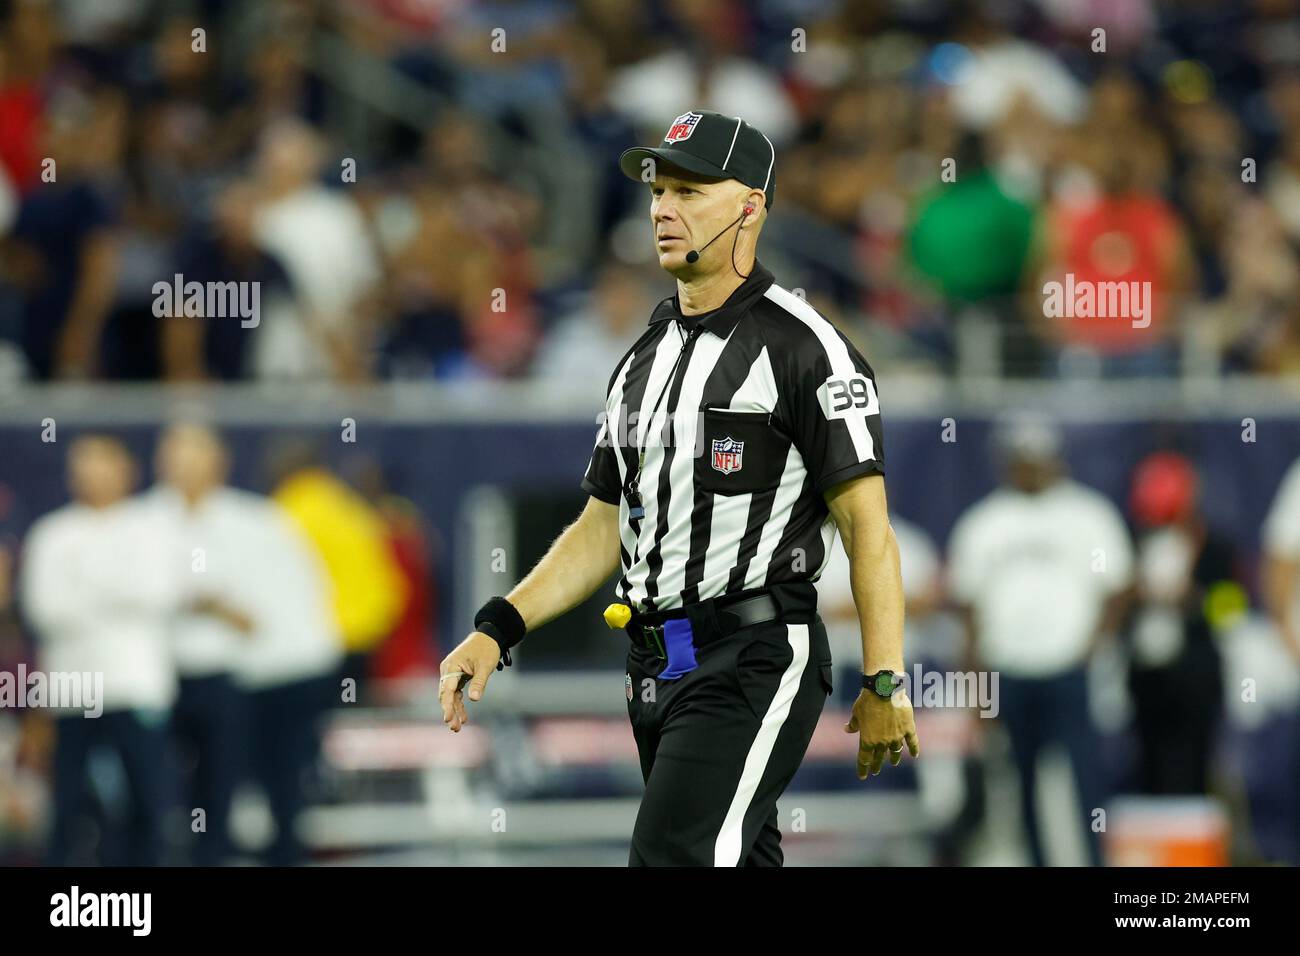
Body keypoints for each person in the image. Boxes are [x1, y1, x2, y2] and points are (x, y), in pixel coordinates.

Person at [439, 109, 918, 867]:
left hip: (755, 654)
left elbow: (868, 528)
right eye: (660, 190)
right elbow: (602, 526)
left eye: (692, 190)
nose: (664, 207)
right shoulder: (639, 359)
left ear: (750, 206)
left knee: (672, 858)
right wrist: (499, 626)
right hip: (657, 665)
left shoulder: (807, 347)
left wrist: (886, 675)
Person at [948, 416, 1133, 866]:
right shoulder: (984, 522)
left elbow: (1119, 586)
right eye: (1021, 460)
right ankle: (1036, 858)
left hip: (1070, 668)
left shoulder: (1087, 514)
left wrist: (1095, 646)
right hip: (1007, 670)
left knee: (1082, 775)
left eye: (1037, 459)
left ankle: (1092, 858)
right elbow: (969, 610)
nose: (1029, 469)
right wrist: (977, 689)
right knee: (1017, 777)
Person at [21, 435, 181, 865]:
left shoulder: (152, 528)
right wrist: (117, 595)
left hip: (137, 685)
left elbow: (159, 594)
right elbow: (45, 608)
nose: (92, 475)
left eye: (101, 463)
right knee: (69, 803)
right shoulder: (51, 533)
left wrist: (86, 589)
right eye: (82, 466)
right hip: (73, 689)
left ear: (127, 469)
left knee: (147, 797)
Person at [146, 422, 263, 865]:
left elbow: (256, 606)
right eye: (176, 451)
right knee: (154, 789)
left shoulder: (249, 520)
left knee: (219, 787)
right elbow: (144, 592)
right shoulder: (144, 519)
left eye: (196, 452)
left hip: (224, 673)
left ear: (219, 460)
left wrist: (203, 601)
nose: (185, 463)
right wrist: (204, 600)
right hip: (157, 674)